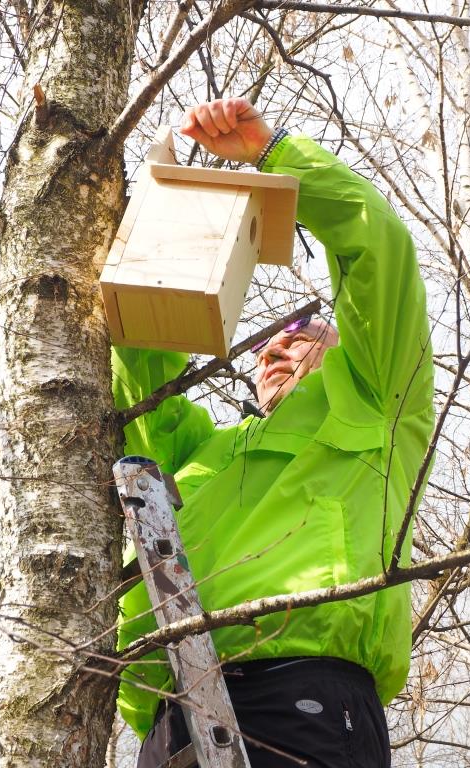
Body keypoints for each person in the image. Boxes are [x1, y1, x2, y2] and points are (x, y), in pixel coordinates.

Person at [112, 97, 434, 768]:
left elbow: (377, 249)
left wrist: (274, 156)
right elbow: (140, 373)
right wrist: (144, 239)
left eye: (302, 337)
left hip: (304, 694)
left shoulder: (376, 403)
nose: (276, 351)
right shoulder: (203, 453)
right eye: (265, 350)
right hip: (171, 711)